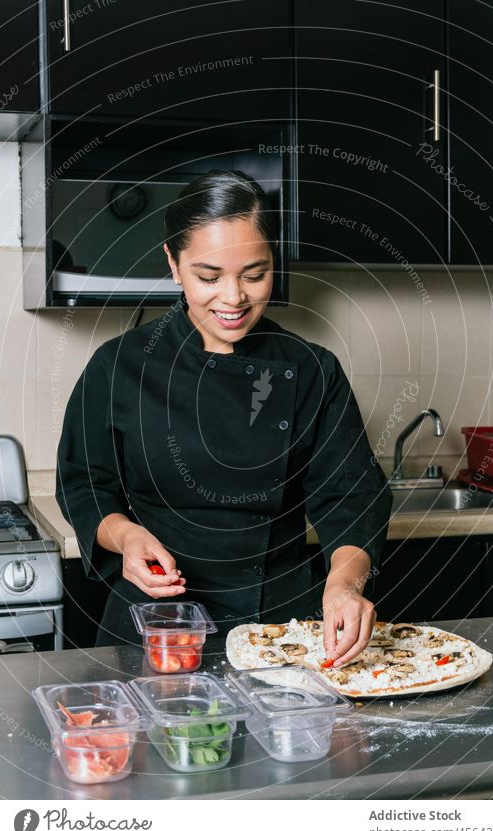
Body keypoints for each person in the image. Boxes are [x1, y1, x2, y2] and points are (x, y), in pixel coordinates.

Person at [56, 169, 392, 668]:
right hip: (158, 625)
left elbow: (352, 499)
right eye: (209, 277)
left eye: (255, 275)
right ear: (173, 264)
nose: (233, 298)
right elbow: (84, 485)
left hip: (285, 626)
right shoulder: (119, 366)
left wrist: (344, 585)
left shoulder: (311, 369)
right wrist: (125, 537)